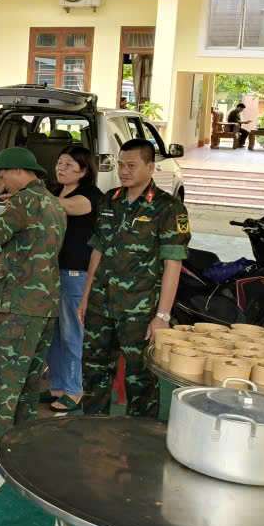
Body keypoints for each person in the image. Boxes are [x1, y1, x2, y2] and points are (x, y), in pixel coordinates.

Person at [0, 147, 66, 462]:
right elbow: (33, 250)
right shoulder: (52, 203)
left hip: (22, 303)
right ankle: (21, 435)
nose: (2, 183)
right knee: (30, 376)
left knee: (6, 374)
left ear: (18, 171)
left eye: (3, 175)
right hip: (46, 302)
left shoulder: (24, 201)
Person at [81, 139, 191, 417]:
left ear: (151, 167)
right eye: (120, 165)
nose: (124, 171)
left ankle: (140, 437)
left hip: (140, 311)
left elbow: (173, 263)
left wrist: (162, 316)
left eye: (131, 165)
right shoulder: (110, 200)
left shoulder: (168, 207)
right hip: (100, 305)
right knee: (94, 373)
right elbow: (98, 251)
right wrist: (85, 298)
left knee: (140, 380)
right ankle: (90, 430)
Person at [42, 145, 102, 412]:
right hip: (52, 272)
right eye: (59, 163)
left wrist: (29, 196)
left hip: (75, 275)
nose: (61, 168)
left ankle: (75, 390)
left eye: (68, 164)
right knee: (52, 334)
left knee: (71, 333)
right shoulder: (54, 191)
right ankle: (57, 386)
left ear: (84, 170)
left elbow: (64, 207)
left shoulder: (89, 196)